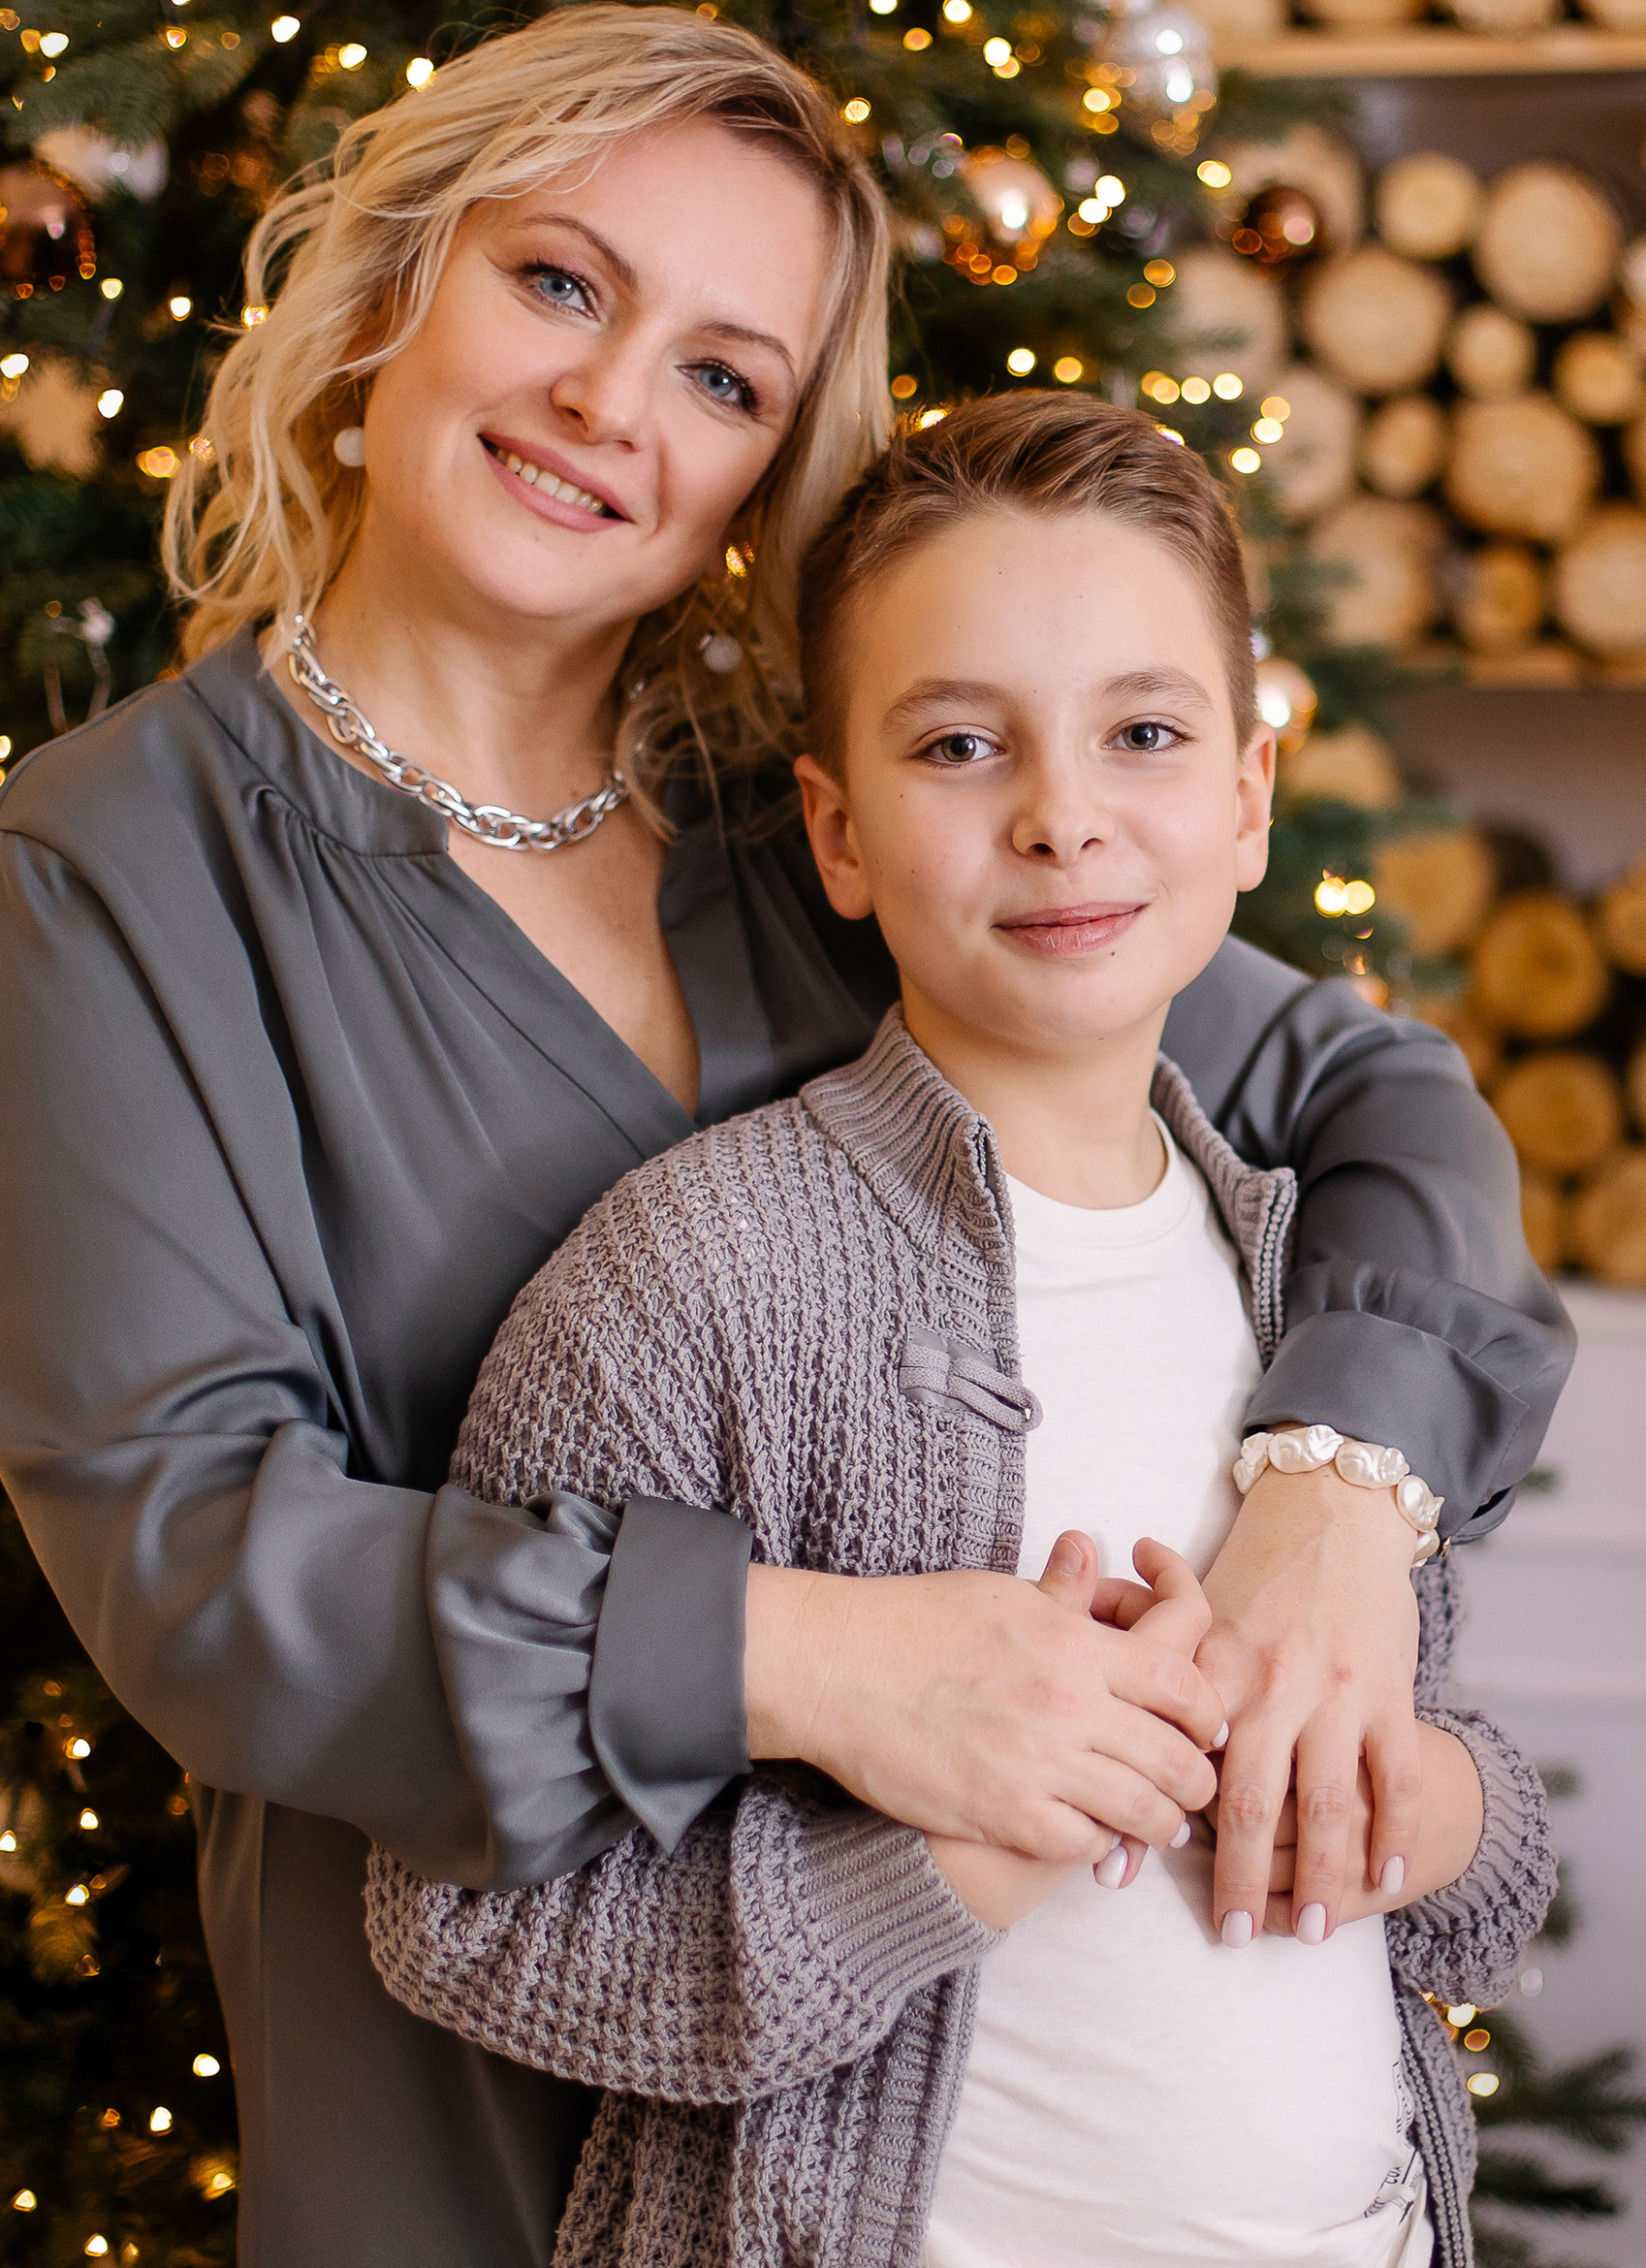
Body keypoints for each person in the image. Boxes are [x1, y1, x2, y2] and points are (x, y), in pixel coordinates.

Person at [0, 5, 1569, 2267]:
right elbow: (192, 1556)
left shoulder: (833, 813)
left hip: (1007, 2120)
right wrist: (812, 1658)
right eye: (560, 283)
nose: (609, 405)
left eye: (723, 377)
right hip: (476, 2086)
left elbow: (1364, 1090)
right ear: (387, 291)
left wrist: (1344, 1488)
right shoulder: (111, 871)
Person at [365, 388, 1559, 2267]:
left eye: (1143, 733)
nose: (1062, 812)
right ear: (835, 831)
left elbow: (1469, 1839)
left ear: (1247, 794)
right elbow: (470, 1915)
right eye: (957, 743)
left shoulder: (1303, 1297)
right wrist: (944, 1854)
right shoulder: (699, 1276)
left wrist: (1428, 1803)